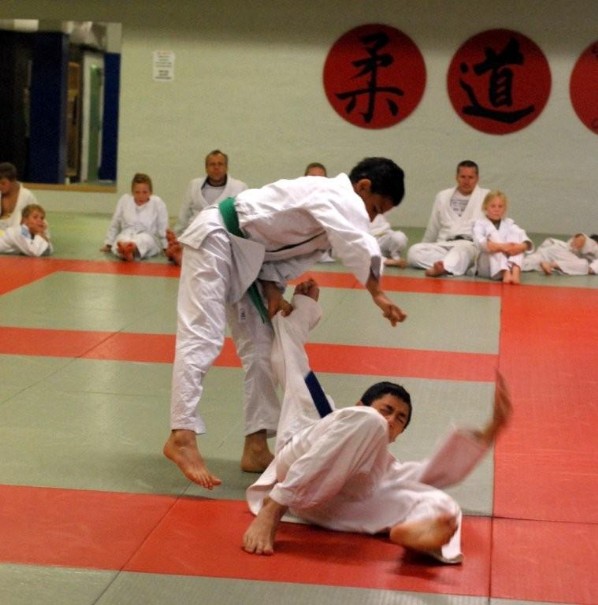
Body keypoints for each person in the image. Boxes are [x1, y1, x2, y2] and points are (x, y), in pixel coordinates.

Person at [163, 157, 408, 490]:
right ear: (363, 187)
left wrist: (273, 292)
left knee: (262, 349)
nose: (373, 218)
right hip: (217, 236)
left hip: (248, 259)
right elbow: (359, 241)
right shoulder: (335, 194)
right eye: (375, 208)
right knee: (202, 335)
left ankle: (255, 445)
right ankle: (181, 434)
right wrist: (376, 292)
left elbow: (278, 259)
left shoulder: (327, 227)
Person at [242, 279, 512, 563]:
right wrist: (305, 307)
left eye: (400, 419)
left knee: (440, 502)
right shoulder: (320, 409)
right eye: (387, 409)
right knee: (370, 423)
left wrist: (492, 428)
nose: (391, 420)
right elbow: (291, 359)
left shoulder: (384, 466)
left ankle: (418, 536)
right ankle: (274, 508)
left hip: (328, 505)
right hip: (294, 471)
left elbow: (436, 472)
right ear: (360, 404)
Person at [407, 160, 489, 277]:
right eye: (463, 177)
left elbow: (495, 225)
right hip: (444, 243)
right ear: (456, 177)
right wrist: (426, 244)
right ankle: (455, 265)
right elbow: (433, 226)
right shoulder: (443, 196)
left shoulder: (486, 196)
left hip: (469, 245)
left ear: (477, 179)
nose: (466, 181)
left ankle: (446, 266)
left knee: (462, 251)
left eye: (470, 177)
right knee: (414, 252)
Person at [166, 150, 248, 266]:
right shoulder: (194, 185)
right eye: (212, 164)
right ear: (206, 168)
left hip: (224, 235)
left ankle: (185, 257)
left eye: (220, 164)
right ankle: (182, 253)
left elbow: (245, 218)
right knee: (193, 246)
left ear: (226, 167)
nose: (216, 168)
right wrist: (177, 237)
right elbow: (183, 216)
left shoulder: (239, 187)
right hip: (195, 234)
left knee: (217, 252)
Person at [100, 173, 168, 261]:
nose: (141, 196)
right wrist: (108, 243)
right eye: (137, 192)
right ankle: (125, 250)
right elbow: (115, 223)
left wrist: (166, 247)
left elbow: (163, 227)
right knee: (121, 239)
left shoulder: (157, 203)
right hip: (127, 232)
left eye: (145, 192)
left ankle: (131, 249)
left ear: (151, 192)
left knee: (144, 240)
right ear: (132, 192)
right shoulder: (125, 200)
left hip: (148, 235)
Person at [473, 191, 532, 284]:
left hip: (509, 262)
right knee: (493, 238)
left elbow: (522, 236)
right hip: (487, 266)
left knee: (516, 234)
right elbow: (480, 243)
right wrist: (503, 247)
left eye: (500, 206)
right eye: (493, 206)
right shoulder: (479, 224)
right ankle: (505, 272)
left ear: (505, 209)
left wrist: (519, 247)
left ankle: (516, 271)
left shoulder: (509, 223)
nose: (496, 210)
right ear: (485, 207)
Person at [522, 232, 598, 276]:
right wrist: (582, 239)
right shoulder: (594, 248)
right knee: (584, 265)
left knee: (523, 264)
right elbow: (590, 269)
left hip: (550, 250)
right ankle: (551, 265)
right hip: (560, 252)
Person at [0, 162, 38, 233]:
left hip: (20, 236)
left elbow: (38, 222)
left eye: (3, 183)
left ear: (13, 181)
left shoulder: (27, 196)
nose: (0, 186)